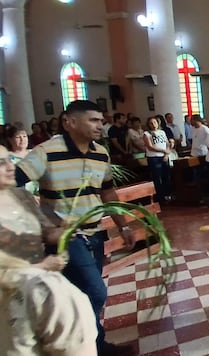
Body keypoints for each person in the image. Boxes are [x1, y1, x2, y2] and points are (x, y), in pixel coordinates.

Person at [14, 100, 136, 355]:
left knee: (81, 292)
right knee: (95, 291)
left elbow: (107, 192)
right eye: (93, 120)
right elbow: (13, 183)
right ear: (69, 122)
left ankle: (91, 345)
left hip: (95, 233)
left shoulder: (100, 153)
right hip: (66, 237)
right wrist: (42, 221)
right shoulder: (47, 151)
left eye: (101, 121)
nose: (100, 126)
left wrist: (123, 227)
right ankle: (77, 343)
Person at [0, 144, 97, 355]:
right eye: (1, 163)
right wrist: (41, 267)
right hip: (9, 296)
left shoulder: (22, 197)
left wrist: (65, 231)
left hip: (38, 288)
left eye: (9, 160)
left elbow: (47, 232)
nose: (10, 166)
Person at [143, 117, 173, 202]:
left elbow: (167, 143)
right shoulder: (146, 134)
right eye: (151, 123)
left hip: (164, 157)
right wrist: (163, 151)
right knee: (157, 177)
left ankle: (167, 195)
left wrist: (166, 154)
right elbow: (150, 146)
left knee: (166, 176)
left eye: (155, 122)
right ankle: (160, 197)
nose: (153, 124)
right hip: (154, 157)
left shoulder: (162, 132)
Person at [4, 126, 38, 194]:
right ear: (10, 139)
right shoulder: (6, 157)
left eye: (24, 136)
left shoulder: (35, 153)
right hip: (20, 195)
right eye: (18, 137)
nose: (22, 139)